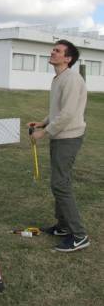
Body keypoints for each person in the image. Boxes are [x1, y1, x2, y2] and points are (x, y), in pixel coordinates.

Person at [28, 40, 90, 252]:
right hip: (60, 135)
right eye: (53, 49)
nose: (52, 52)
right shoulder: (59, 78)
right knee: (60, 182)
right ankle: (63, 226)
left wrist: (43, 133)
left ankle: (80, 235)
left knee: (60, 184)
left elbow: (68, 114)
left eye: (58, 51)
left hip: (69, 137)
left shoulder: (72, 79)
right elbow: (57, 109)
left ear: (68, 58)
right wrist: (43, 122)